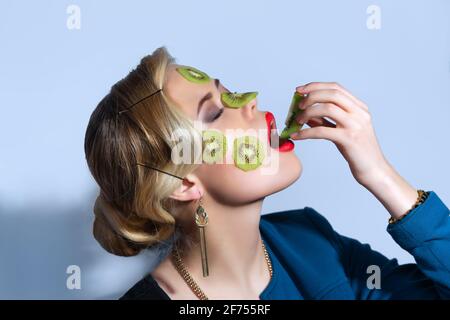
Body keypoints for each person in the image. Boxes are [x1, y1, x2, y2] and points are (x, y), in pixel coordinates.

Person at [84, 46, 450, 300]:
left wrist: (381, 176)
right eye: (213, 113)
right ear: (183, 183)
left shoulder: (310, 241)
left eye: (228, 92)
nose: (251, 100)